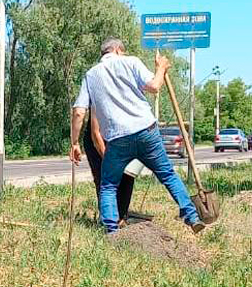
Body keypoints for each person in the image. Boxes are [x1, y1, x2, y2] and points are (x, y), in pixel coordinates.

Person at [70, 38, 204, 235]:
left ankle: (111, 231)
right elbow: (154, 86)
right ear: (116, 50)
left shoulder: (91, 75)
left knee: (108, 185)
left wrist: (74, 143)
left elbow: (79, 112)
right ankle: (192, 217)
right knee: (167, 175)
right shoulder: (131, 62)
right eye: (122, 52)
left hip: (117, 139)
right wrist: (161, 68)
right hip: (146, 132)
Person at [83, 108, 135, 228]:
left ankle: (121, 218)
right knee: (104, 179)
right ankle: (108, 222)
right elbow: (95, 134)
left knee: (127, 176)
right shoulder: (98, 92)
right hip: (98, 140)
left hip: (121, 138)